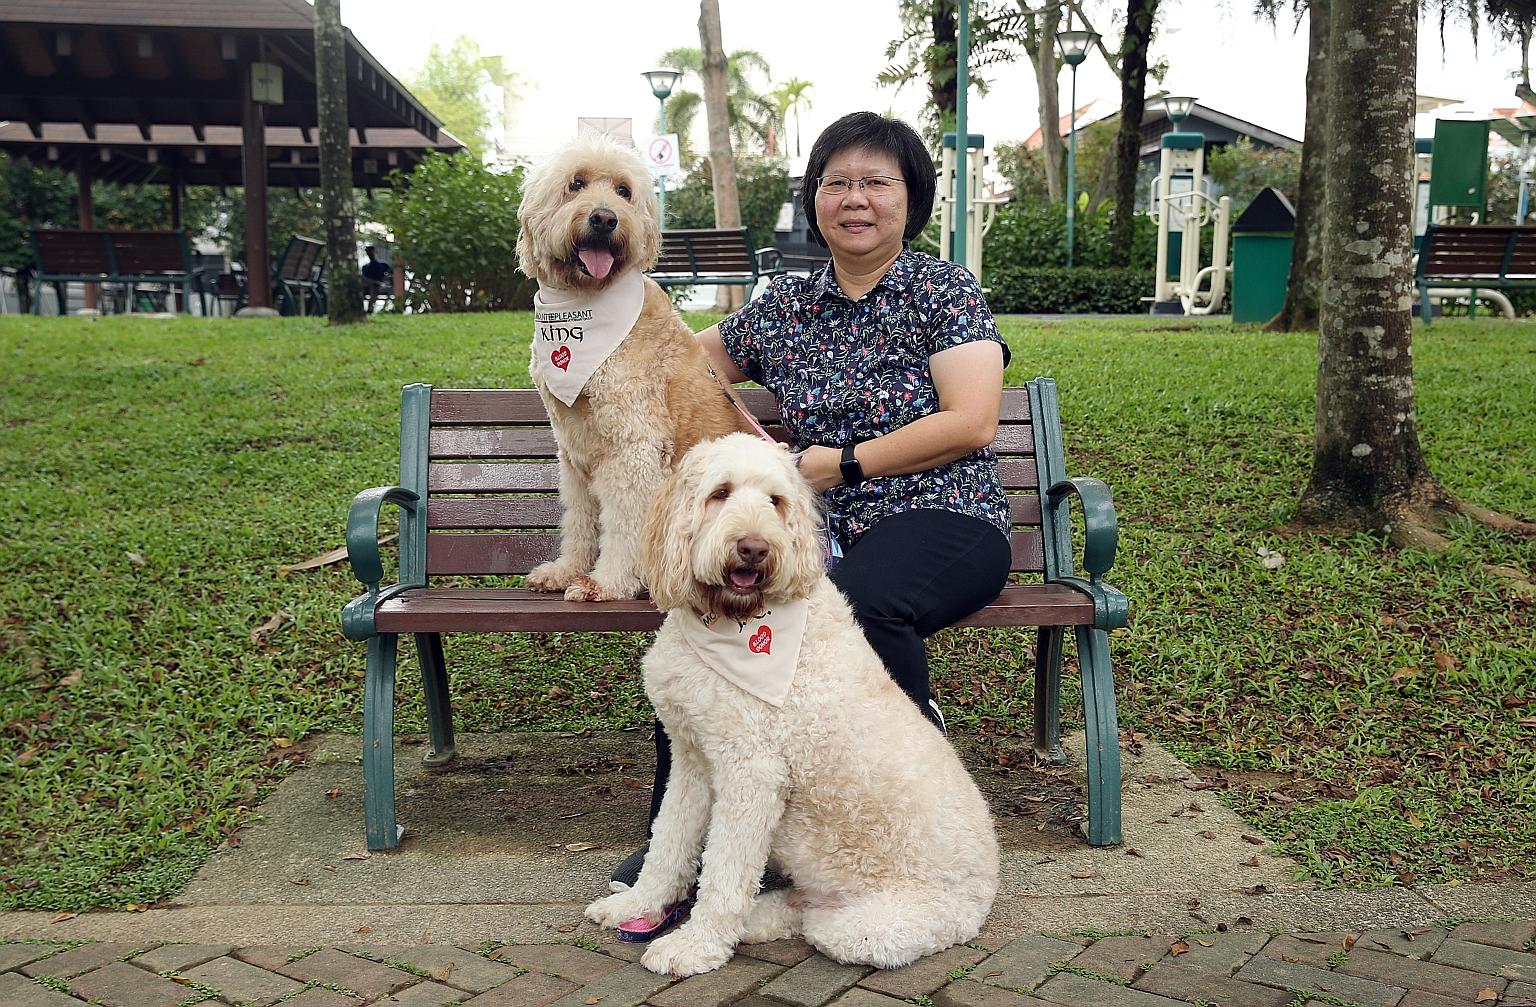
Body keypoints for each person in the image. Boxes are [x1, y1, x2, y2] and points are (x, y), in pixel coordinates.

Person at [612, 111, 1012, 889]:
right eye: (838, 183)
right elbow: (682, 367)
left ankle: (875, 812)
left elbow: (972, 419)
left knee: (858, 607)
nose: (856, 199)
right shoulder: (784, 305)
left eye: (876, 183)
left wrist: (847, 465)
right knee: (709, 624)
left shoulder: (943, 289)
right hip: (813, 533)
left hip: (942, 514)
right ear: (815, 199)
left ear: (910, 199)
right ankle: (686, 844)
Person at [361, 245, 392, 311]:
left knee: (374, 287)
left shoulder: (383, 265)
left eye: (371, 253)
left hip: (378, 286)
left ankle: (370, 308)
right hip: (367, 286)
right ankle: (360, 308)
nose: (370, 255)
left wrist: (388, 283)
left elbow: (391, 274)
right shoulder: (365, 267)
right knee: (366, 286)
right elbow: (364, 278)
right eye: (368, 253)